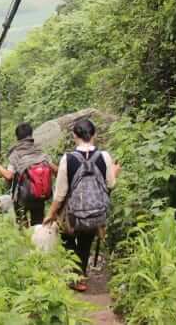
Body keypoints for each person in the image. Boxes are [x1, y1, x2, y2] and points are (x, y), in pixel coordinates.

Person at [44, 118, 121, 292]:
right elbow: (110, 185)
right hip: (95, 213)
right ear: (94, 134)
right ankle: (80, 276)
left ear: (74, 136)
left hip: (72, 214)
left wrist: (51, 213)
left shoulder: (68, 159)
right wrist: (115, 172)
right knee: (86, 242)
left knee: (68, 238)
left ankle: (74, 276)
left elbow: (61, 192)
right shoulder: (104, 156)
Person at [0, 122, 57, 227]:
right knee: (38, 224)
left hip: (22, 198)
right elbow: (56, 171)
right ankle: (37, 242)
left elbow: (9, 175)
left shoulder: (16, 154)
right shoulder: (39, 152)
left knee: (22, 224)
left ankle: (24, 240)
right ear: (31, 135)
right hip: (40, 195)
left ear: (17, 138)